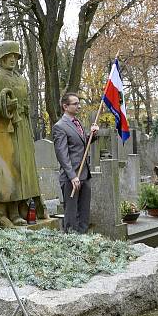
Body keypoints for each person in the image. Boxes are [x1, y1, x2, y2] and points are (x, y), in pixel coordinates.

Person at [0, 40, 42, 227]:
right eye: (8, 56)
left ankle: (24, 207)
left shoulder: (21, 79)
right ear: (0, 58)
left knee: (24, 169)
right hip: (5, 129)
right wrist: (4, 105)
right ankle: (9, 212)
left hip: (22, 126)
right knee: (9, 170)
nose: (12, 59)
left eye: (15, 56)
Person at [52, 93, 99, 233]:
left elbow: (82, 143)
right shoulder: (59, 126)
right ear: (65, 106)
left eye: (79, 103)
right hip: (71, 177)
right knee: (71, 216)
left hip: (84, 174)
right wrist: (72, 176)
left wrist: (92, 135)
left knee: (84, 214)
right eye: (75, 104)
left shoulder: (77, 123)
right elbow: (62, 154)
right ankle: (72, 243)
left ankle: (83, 241)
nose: (79, 106)